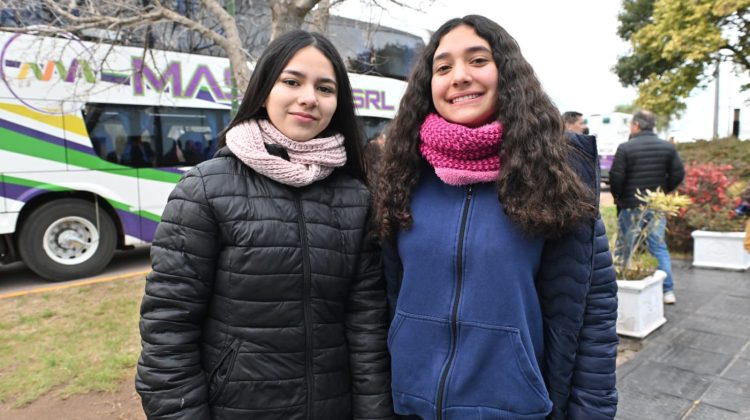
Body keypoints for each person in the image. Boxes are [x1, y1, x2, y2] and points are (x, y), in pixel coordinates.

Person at [135, 30, 394, 419]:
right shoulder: (206, 188)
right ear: (263, 89)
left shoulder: (355, 198)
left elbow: (367, 329)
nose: (309, 97)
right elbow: (167, 332)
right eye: (292, 81)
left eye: (325, 88)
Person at [373, 15, 618, 420]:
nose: (460, 76)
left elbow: (594, 315)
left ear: (507, 73)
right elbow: (383, 296)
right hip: (410, 405)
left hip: (516, 407)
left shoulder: (557, 171)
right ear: (427, 84)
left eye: (478, 60)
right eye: (444, 67)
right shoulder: (401, 172)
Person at [609, 110, 684, 304]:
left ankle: (621, 286)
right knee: (658, 246)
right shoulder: (668, 148)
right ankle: (668, 291)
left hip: (630, 205)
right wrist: (663, 192)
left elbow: (616, 177)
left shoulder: (625, 148)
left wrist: (619, 197)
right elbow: (678, 174)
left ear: (636, 125)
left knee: (627, 246)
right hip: (656, 206)